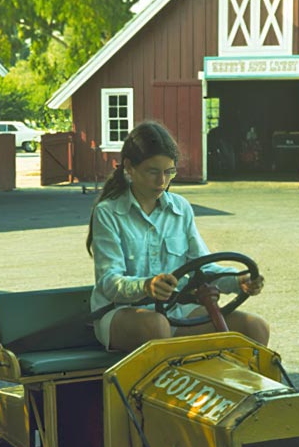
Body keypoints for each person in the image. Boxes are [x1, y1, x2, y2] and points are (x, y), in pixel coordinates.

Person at [85, 121, 269, 353]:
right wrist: (146, 286)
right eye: (152, 172)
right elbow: (110, 282)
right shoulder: (108, 212)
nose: (161, 181)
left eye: (168, 172)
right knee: (155, 325)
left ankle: (241, 388)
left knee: (254, 328)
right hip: (121, 314)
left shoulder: (181, 208)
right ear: (129, 168)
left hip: (176, 312)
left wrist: (238, 280)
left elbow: (203, 268)